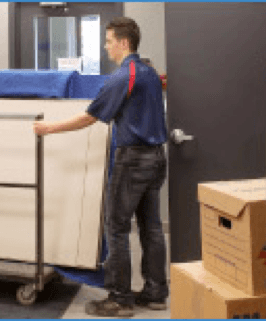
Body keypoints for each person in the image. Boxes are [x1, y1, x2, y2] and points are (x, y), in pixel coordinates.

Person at [33, 17, 168, 317]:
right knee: (152, 227)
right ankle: (156, 293)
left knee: (117, 228)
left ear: (123, 43)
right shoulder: (149, 72)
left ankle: (120, 300)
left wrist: (49, 128)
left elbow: (89, 117)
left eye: (108, 42)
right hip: (157, 158)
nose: (106, 47)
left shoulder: (124, 76)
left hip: (133, 160)